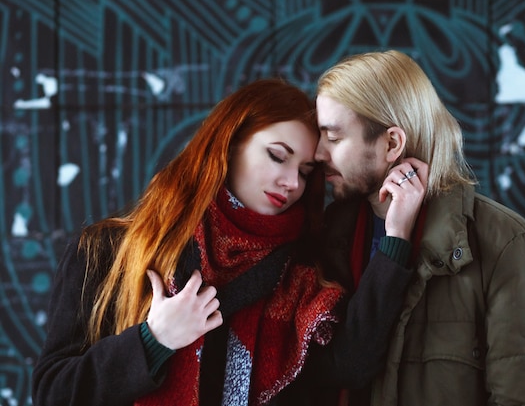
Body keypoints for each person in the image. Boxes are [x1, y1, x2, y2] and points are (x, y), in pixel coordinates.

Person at [32, 79, 413, 406]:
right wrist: (154, 341)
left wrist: (395, 238)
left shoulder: (298, 276)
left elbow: (352, 363)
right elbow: (53, 392)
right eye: (277, 156)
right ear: (229, 145)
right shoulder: (107, 251)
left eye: (305, 172)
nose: (292, 183)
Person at [313, 50, 525, 406]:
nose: (317, 153)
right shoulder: (328, 240)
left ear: (391, 143)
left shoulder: (505, 245)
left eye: (333, 137)